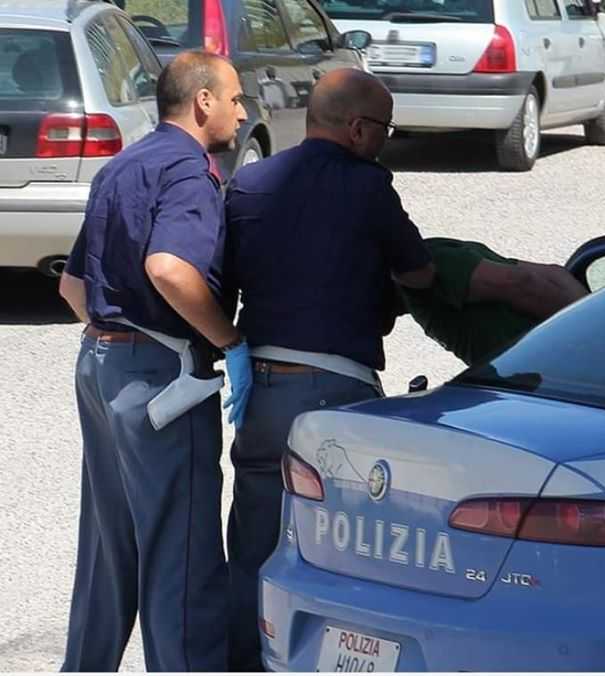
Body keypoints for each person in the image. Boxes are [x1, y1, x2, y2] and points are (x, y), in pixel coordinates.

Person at [223, 68, 434, 671]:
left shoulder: (251, 182)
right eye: (385, 130)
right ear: (359, 127)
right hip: (337, 393)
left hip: (260, 395)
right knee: (340, 555)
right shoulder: (369, 189)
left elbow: (222, 280)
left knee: (255, 547)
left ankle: (244, 661)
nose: (386, 142)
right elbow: (418, 273)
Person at [57, 51, 252, 672]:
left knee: (108, 551)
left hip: (99, 365)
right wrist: (230, 342)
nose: (242, 111)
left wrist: (117, 338)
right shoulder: (191, 174)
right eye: (236, 99)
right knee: (182, 554)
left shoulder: (124, 165)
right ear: (203, 102)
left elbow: (72, 288)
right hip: (159, 380)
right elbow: (168, 268)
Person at [399, 237, 588, 366]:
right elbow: (553, 273)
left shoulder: (436, 263)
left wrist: (596, 331)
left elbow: (520, 283)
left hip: (554, 379)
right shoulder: (439, 253)